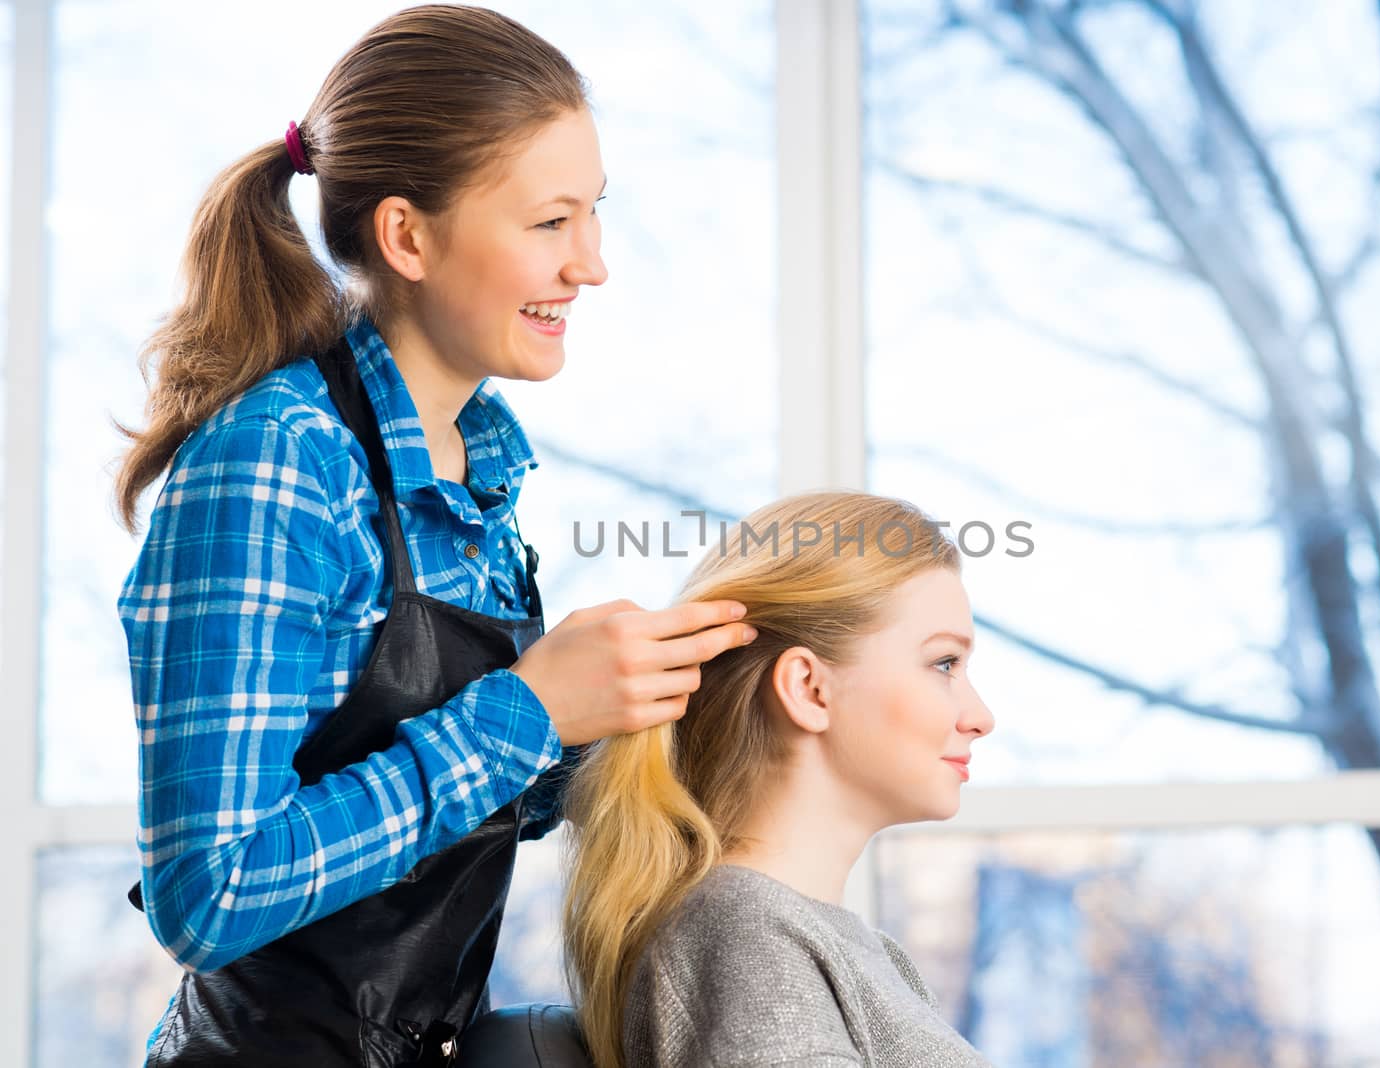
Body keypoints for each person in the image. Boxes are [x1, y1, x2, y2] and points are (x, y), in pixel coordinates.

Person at [113, 6, 756, 1066]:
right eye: (550, 223)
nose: (590, 265)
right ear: (408, 235)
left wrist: (613, 713)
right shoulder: (279, 461)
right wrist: (530, 708)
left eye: (594, 214)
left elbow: (473, 807)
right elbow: (209, 893)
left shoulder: (476, 463)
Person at [558, 491, 999, 1067]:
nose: (981, 717)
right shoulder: (746, 933)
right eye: (944, 664)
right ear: (808, 689)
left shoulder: (843, 947)